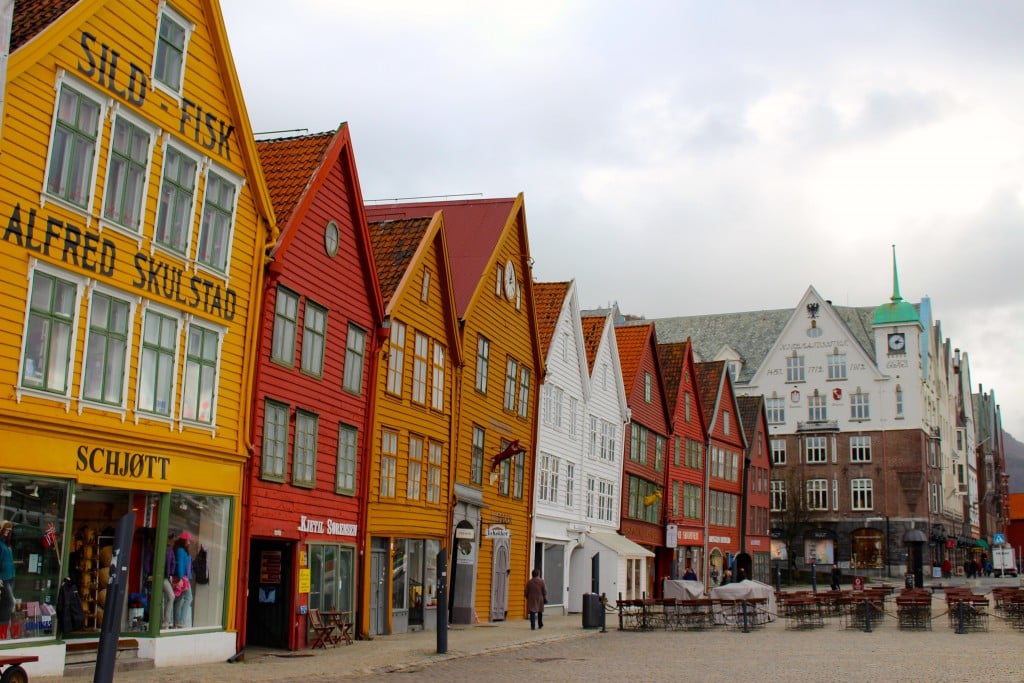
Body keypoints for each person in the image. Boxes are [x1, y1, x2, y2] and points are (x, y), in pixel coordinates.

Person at [173, 531, 194, 629]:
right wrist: (181, 578)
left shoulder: (181, 550)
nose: (189, 542)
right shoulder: (181, 551)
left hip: (183, 577)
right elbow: (180, 564)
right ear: (184, 540)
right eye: (188, 540)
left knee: (179, 599)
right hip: (183, 578)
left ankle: (177, 622)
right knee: (189, 598)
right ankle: (181, 621)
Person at [0, 521, 14, 639]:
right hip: (3, 578)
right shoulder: (0, 544)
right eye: (6, 529)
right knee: (10, 603)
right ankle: (2, 632)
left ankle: (2, 632)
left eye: (9, 530)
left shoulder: (7, 544)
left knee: (5, 603)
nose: (7, 532)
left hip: (10, 577)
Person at [162, 533, 177, 629]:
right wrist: (149, 573)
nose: (170, 541)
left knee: (171, 596)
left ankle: (166, 622)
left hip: (165, 577)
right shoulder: (156, 547)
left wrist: (171, 574)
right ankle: (163, 622)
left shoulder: (170, 550)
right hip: (156, 577)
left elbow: (173, 562)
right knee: (160, 599)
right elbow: (147, 560)